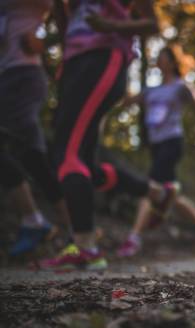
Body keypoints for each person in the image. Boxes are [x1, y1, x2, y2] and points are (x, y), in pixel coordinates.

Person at [41, 0, 177, 270]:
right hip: (74, 64)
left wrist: (111, 26)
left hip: (104, 57)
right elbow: (68, 23)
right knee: (84, 164)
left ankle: (86, 247)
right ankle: (156, 193)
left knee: (67, 154)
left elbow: (153, 24)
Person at [116, 46, 195, 257]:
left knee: (150, 186)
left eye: (163, 58)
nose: (159, 61)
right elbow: (126, 102)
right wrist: (124, 66)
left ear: (173, 62)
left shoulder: (182, 86)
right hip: (155, 144)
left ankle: (133, 238)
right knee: (171, 193)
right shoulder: (150, 90)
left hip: (172, 141)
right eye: (157, 58)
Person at [0, 0, 70, 256]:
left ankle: (70, 230)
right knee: (32, 157)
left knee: (32, 157)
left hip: (25, 77)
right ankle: (75, 230)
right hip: (6, 78)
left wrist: (47, 42)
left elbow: (68, 13)